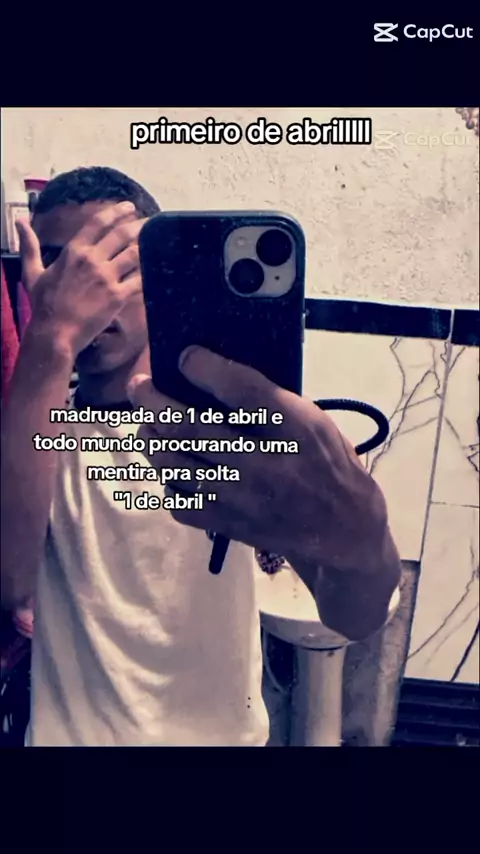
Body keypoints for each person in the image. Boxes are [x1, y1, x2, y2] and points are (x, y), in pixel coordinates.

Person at [1, 166, 401, 747]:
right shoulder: (34, 432)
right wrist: (50, 340)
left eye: (117, 266)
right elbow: (9, 582)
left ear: (160, 277)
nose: (90, 294)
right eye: (63, 273)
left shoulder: (229, 432)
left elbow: (356, 615)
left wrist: (363, 546)